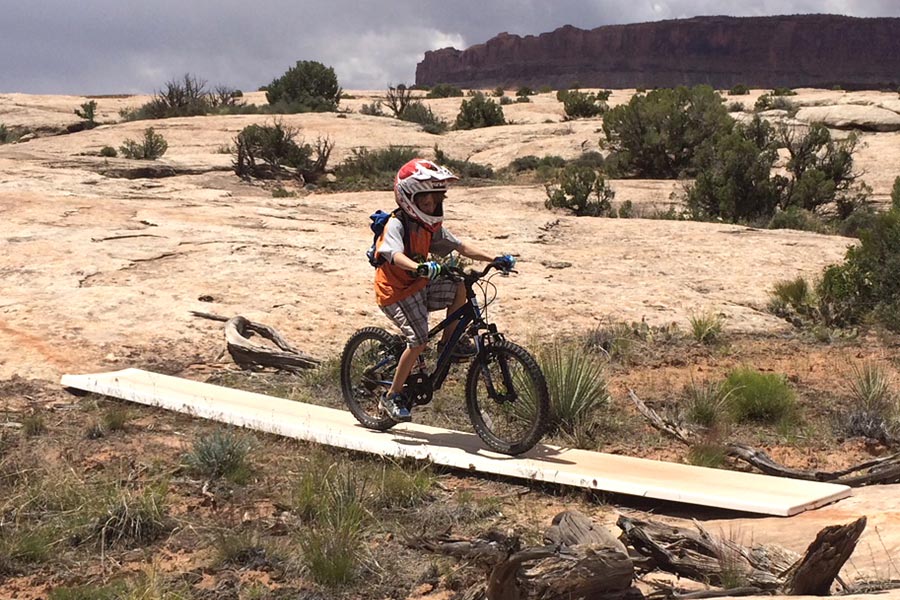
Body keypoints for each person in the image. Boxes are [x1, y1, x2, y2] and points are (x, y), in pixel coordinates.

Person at [372, 158, 516, 422]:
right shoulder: (397, 224)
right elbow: (392, 254)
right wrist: (419, 267)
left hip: (418, 284)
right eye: (425, 202)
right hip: (395, 291)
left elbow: (460, 247)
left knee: (460, 284)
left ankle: (451, 342)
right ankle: (391, 396)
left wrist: (493, 258)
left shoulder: (430, 226)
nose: (431, 206)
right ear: (409, 199)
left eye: (435, 202)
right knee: (418, 340)